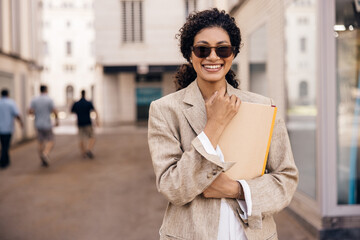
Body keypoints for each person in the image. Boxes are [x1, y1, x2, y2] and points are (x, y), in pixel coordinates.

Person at [147, 9, 299, 240]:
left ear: (233, 53)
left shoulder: (263, 106)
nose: (213, 56)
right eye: (202, 49)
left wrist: (238, 190)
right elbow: (172, 187)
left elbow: (286, 178)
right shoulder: (165, 111)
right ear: (190, 54)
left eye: (222, 49)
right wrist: (214, 126)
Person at [29, 85, 59, 167]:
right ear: (46, 90)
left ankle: (42, 159)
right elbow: (55, 111)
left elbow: (30, 111)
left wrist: (36, 113)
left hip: (38, 124)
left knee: (40, 142)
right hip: (47, 124)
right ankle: (45, 153)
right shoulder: (49, 99)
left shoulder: (34, 100)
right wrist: (57, 120)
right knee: (51, 140)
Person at [71, 90, 99, 159]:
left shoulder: (76, 103)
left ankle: (83, 153)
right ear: (85, 94)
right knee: (92, 137)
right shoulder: (88, 103)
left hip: (80, 123)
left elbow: (72, 111)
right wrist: (97, 120)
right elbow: (95, 111)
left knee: (81, 138)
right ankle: (89, 149)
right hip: (88, 122)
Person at [0, 89, 23, 169]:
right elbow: (17, 114)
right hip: (7, 128)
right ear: (8, 94)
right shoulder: (11, 103)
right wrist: (20, 122)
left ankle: (6, 160)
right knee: (5, 146)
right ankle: (3, 162)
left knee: (3, 145)